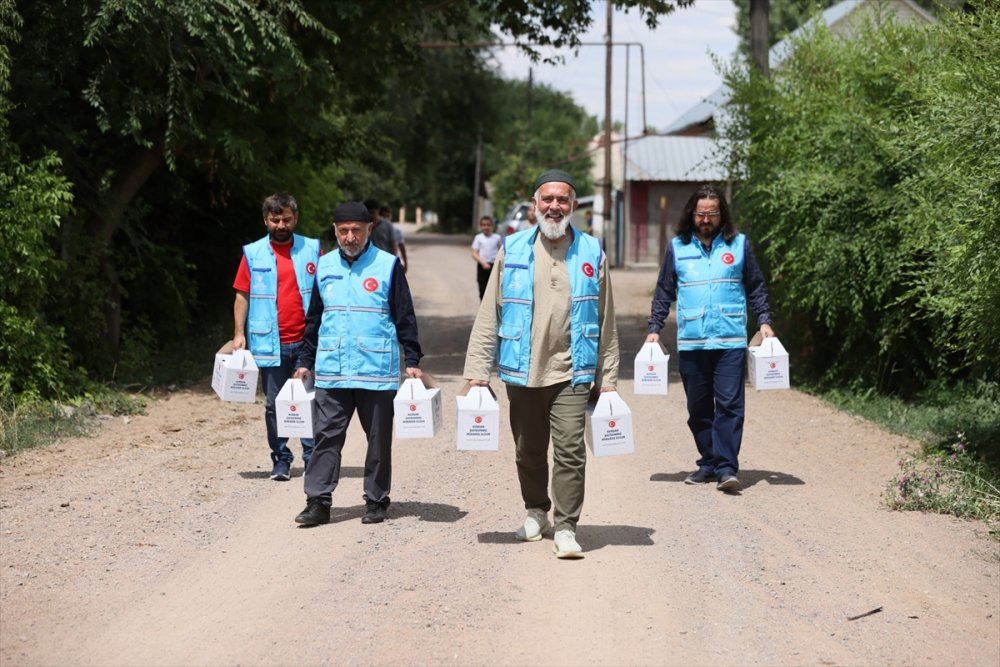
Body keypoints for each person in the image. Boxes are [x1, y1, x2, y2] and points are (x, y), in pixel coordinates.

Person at [464, 169, 619, 559]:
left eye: (562, 200)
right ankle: (537, 512)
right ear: (535, 206)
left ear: (573, 206)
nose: (554, 206)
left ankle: (567, 527)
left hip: (572, 370)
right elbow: (490, 313)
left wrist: (609, 377)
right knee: (527, 451)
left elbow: (606, 318)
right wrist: (478, 372)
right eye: (546, 200)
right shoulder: (511, 248)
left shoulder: (591, 251)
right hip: (522, 369)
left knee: (570, 450)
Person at [292, 201, 424, 526]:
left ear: (369, 229)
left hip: (376, 371)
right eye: (343, 230)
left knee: (378, 439)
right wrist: (304, 361)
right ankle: (318, 502)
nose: (350, 236)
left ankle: (376, 500)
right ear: (335, 231)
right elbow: (313, 320)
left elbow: (404, 315)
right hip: (332, 370)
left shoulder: (388, 265)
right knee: (326, 437)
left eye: (356, 230)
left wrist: (413, 358)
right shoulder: (323, 267)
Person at [646, 184, 774, 494]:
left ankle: (727, 467)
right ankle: (708, 462)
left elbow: (755, 286)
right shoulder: (677, 247)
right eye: (701, 213)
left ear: (722, 215)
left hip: (730, 340)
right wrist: (654, 328)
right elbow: (665, 290)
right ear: (692, 214)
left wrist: (765, 321)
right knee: (698, 407)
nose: (705, 219)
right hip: (692, 341)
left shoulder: (739, 245)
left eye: (712, 214)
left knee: (730, 406)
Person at [231, 193, 320, 481]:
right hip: (270, 343)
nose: (281, 225)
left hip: (307, 341)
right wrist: (238, 333)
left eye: (286, 219)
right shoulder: (253, 253)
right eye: (275, 219)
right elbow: (242, 294)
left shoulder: (312, 250)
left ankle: (311, 457)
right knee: (273, 405)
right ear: (265, 220)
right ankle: (281, 459)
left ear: (296, 218)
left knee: (308, 400)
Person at [470, 215, 502, 300]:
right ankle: (483, 309)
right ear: (481, 226)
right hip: (482, 266)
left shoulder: (497, 237)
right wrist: (483, 263)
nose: (486, 227)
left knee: (495, 289)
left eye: (488, 225)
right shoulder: (478, 238)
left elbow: (501, 251)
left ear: (492, 226)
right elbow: (474, 253)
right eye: (484, 225)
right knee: (483, 289)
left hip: (494, 266)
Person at [380, 205, 408, 272]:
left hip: (391, 261)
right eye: (384, 216)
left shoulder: (397, 231)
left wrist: (405, 263)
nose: (386, 219)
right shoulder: (374, 230)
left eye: (387, 216)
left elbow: (402, 247)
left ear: (390, 216)